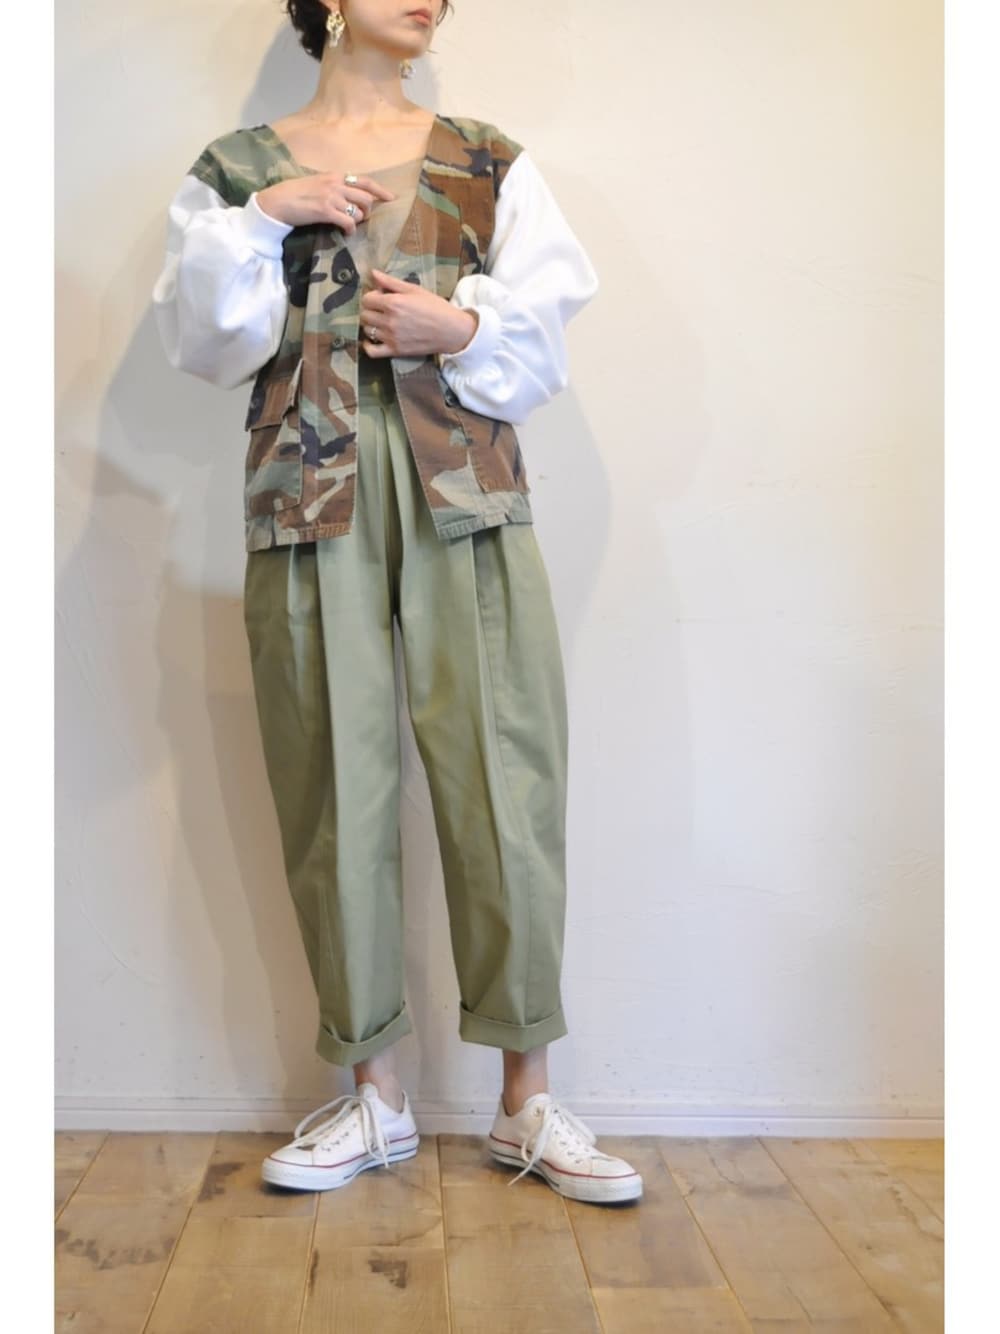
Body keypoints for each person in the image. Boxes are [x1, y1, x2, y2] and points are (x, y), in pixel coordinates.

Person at [151, 0, 643, 1206]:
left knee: (505, 771)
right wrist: (266, 218)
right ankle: (374, 1093)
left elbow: (544, 332)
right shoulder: (240, 171)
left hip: (463, 491)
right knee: (330, 777)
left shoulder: (485, 159)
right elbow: (205, 344)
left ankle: (526, 1099)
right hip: (306, 492)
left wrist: (457, 324)